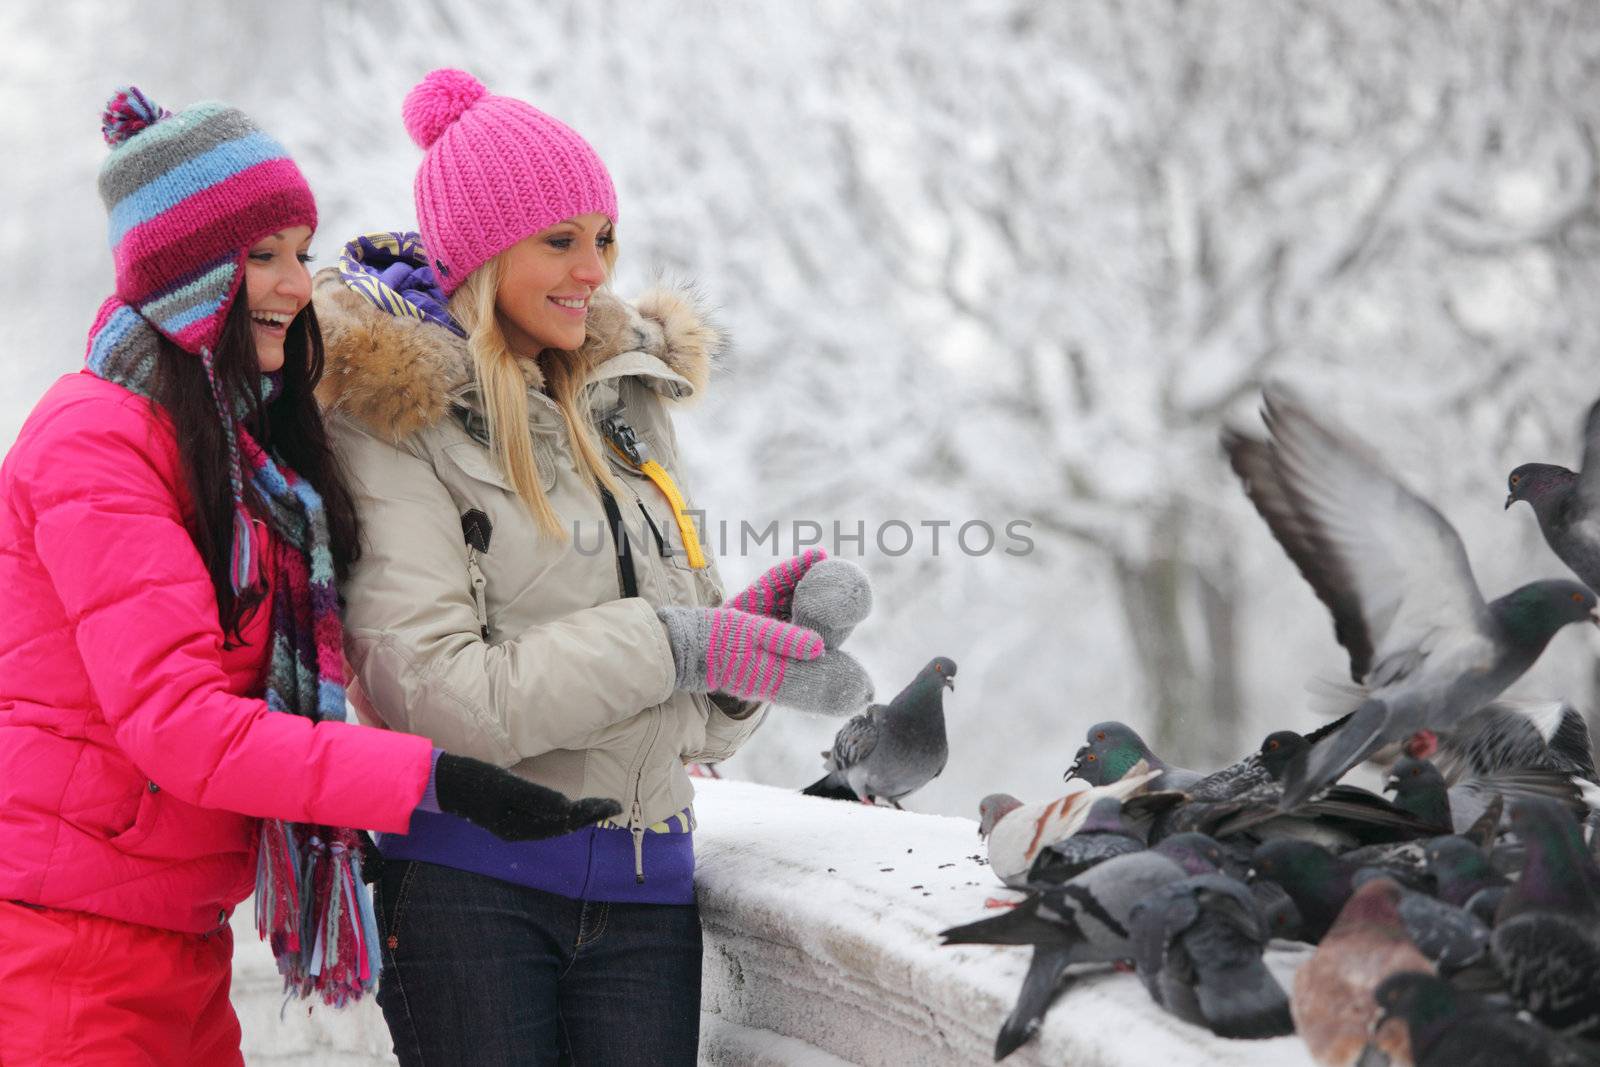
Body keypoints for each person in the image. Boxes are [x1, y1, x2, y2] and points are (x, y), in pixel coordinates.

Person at [0, 86, 617, 1066]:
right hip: (59, 947)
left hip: (173, 934)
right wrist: (432, 782)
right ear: (183, 273)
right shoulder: (95, 442)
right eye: (262, 256)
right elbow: (178, 721)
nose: (298, 282)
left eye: (300, 249)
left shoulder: (239, 450)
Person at [318, 68, 875, 1065]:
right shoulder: (394, 422)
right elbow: (437, 695)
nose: (594, 270)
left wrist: (739, 654)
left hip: (646, 890)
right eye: (560, 240)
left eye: (604, 237)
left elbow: (682, 714)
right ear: (484, 255)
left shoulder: (617, 408)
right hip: (469, 892)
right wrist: (675, 640)